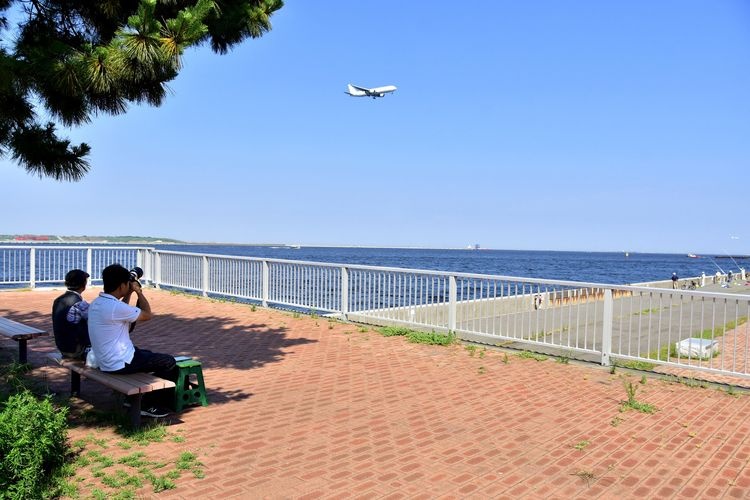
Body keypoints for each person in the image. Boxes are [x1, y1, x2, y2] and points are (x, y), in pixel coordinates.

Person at [88, 264, 176, 417]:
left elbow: (122, 312)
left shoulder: (97, 303)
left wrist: (128, 294)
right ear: (122, 285)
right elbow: (147, 315)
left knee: (148, 354)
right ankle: (148, 405)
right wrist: (138, 292)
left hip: (105, 361)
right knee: (168, 362)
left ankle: (132, 400)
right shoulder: (115, 307)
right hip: (120, 363)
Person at [52, 269, 91, 359]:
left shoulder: (58, 300)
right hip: (76, 350)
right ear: (83, 285)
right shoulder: (80, 304)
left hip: (62, 348)